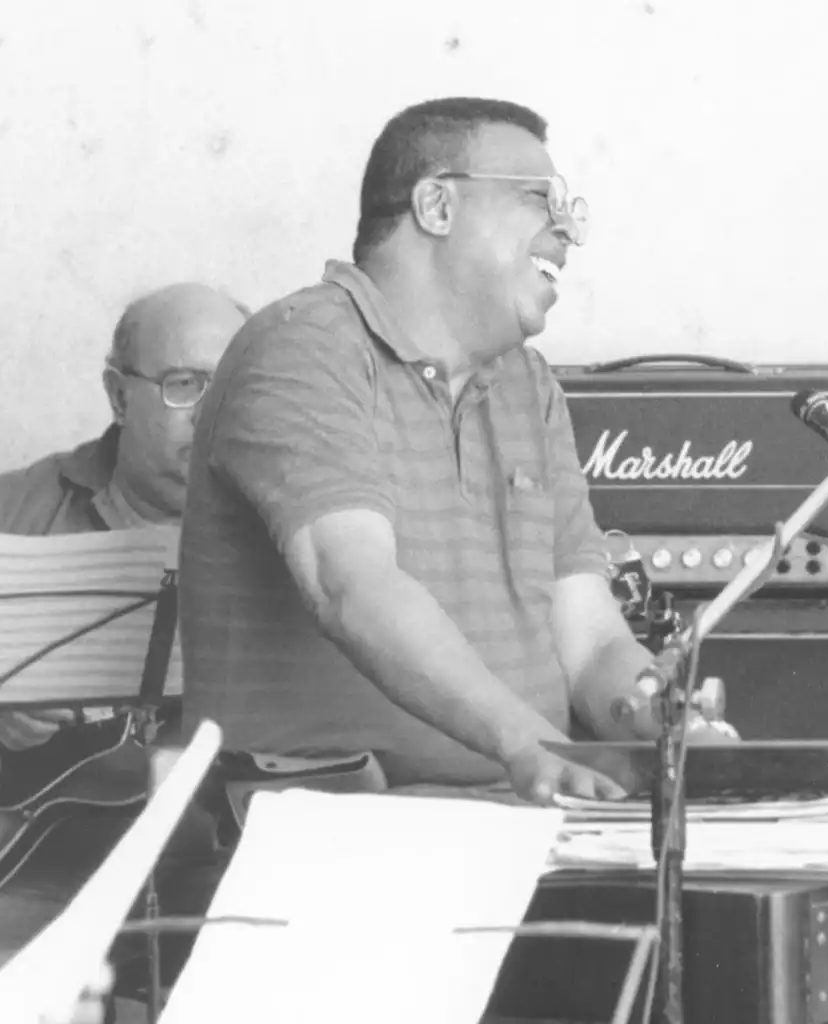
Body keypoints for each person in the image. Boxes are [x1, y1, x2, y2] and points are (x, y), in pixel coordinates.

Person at [179, 96, 734, 808]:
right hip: (331, 822)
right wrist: (526, 743)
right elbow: (351, 587)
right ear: (437, 205)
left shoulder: (528, 385)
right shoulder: (304, 345)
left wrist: (669, 720)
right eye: (540, 199)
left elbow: (592, 643)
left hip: (514, 811)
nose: (569, 231)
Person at [0, 283, 248, 753]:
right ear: (119, 397)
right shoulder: (12, 513)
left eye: (233, 384)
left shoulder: (297, 528)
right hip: (59, 799)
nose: (213, 412)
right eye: (184, 384)